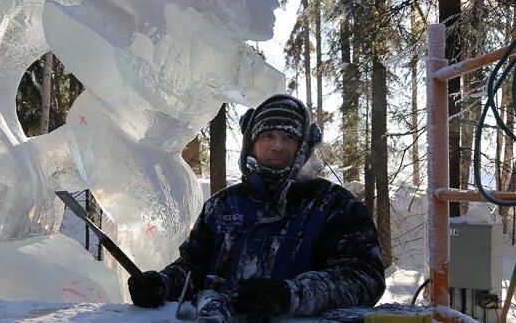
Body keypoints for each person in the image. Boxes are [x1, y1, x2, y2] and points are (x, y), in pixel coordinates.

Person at [128, 94, 386, 319]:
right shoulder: (222, 206)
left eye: (288, 137)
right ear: (251, 142)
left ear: (303, 146)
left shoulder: (335, 206)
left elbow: (363, 279)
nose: (277, 146)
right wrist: (162, 284)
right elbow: (193, 268)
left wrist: (288, 295)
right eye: (268, 136)